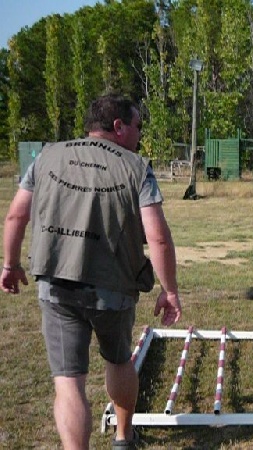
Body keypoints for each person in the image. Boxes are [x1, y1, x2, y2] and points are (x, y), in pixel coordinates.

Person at [1, 94, 182, 449]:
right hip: (113, 288)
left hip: (56, 284)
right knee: (118, 360)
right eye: (137, 126)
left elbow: (16, 215)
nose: (139, 135)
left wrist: (10, 264)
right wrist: (169, 289)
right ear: (118, 127)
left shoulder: (47, 156)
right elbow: (158, 238)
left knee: (68, 381)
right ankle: (123, 438)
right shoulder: (135, 167)